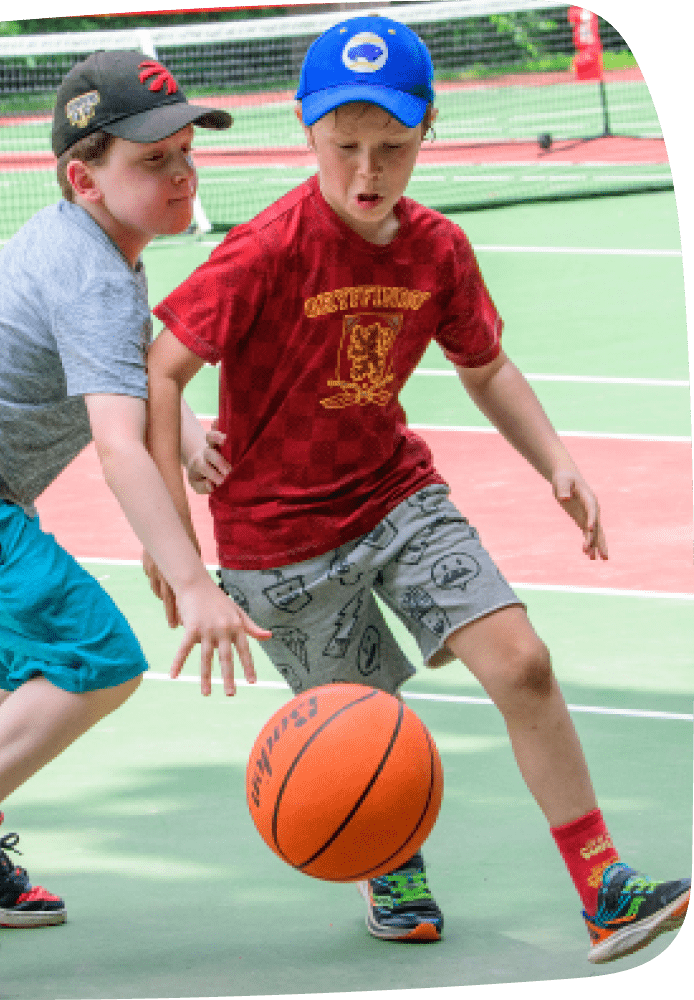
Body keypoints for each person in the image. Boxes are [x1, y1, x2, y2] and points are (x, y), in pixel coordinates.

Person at [143, 15, 689, 965]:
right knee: (364, 731)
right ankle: (390, 863)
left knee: (523, 662)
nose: (367, 171)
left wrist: (553, 458)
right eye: (344, 146)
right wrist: (178, 543)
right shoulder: (265, 251)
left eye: (392, 147)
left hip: (396, 498)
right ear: (306, 132)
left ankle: (603, 884)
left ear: (427, 129)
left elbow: (485, 365)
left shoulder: (437, 250)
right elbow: (159, 372)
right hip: (278, 538)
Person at [0, 49, 269, 968]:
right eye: (152, 161)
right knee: (100, 659)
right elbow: (118, 447)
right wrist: (194, 582)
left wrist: (187, 423)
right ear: (85, 179)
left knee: (9, 670)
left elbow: (122, 370)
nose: (182, 174)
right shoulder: (92, 269)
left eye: (186, 154)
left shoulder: (98, 250)